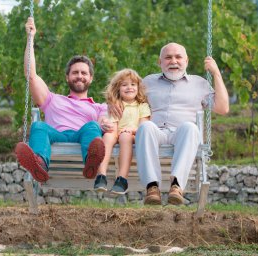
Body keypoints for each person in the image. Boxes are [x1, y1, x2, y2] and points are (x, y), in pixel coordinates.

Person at [109, 42, 229, 205]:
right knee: (145, 127)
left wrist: (216, 73)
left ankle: (177, 186)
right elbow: (127, 97)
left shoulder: (199, 83)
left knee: (190, 127)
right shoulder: (148, 82)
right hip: (155, 133)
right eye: (168, 57)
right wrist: (113, 103)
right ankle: (152, 187)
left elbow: (223, 108)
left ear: (186, 61)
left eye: (178, 57)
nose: (173, 61)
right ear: (160, 62)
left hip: (182, 135)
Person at [15, 17, 113, 182]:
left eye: (84, 73)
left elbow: (103, 120)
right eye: (75, 73)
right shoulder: (52, 99)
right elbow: (30, 75)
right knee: (39, 125)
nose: (79, 76)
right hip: (56, 135)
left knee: (93, 126)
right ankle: (39, 164)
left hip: (82, 136)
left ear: (91, 78)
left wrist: (105, 124)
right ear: (67, 77)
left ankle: (91, 161)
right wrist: (30, 38)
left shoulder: (99, 107)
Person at [93, 69, 151, 195]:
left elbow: (143, 127)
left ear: (138, 87)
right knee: (108, 136)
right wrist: (110, 131)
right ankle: (101, 175)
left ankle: (122, 179)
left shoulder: (142, 106)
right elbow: (113, 127)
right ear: (118, 89)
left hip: (135, 135)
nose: (129, 87)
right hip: (118, 133)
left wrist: (131, 130)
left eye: (133, 84)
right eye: (124, 85)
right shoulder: (116, 105)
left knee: (125, 137)